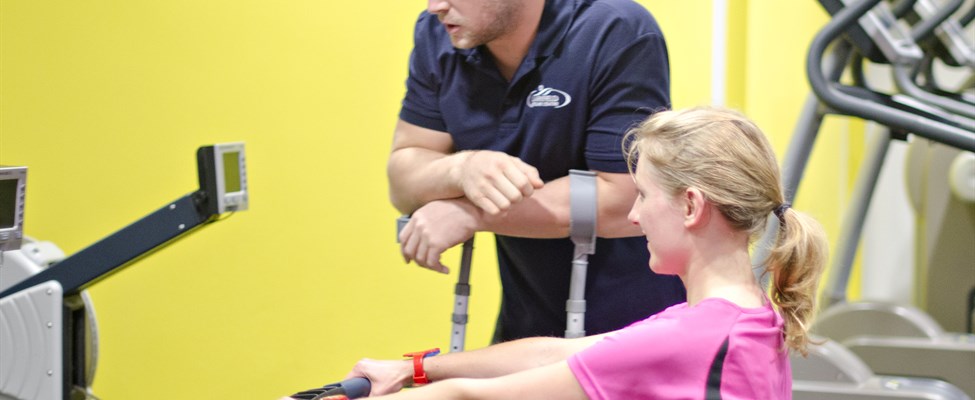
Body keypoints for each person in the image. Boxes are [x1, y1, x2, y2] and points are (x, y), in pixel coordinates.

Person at [332, 106, 829, 399]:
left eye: (643, 196)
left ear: (691, 206)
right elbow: (556, 353)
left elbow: (470, 397)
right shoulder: (746, 318)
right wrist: (414, 369)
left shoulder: (693, 338)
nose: (633, 215)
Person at [391, 0, 686, 342]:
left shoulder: (616, 29)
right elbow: (403, 177)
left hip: (638, 324)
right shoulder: (439, 34)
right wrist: (462, 168)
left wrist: (470, 213)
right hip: (527, 319)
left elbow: (623, 199)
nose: (435, 7)